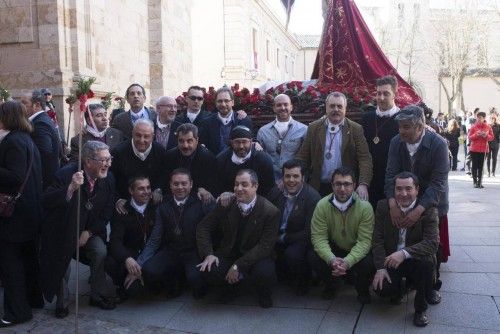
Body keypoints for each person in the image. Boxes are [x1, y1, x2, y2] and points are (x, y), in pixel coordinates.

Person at [41, 141, 116, 318]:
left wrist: (88, 233)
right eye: (103, 160)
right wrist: (71, 188)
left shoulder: (109, 179)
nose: (107, 164)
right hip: (62, 230)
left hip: (89, 230)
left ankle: (97, 294)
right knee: (62, 265)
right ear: (88, 161)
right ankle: (62, 301)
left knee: (100, 251)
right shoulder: (66, 174)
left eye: (109, 159)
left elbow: (106, 213)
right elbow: (47, 200)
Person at [385, 105, 450, 291]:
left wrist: (420, 209)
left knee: (431, 247)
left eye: (406, 127)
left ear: (420, 127)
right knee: (408, 242)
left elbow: (438, 183)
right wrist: (392, 203)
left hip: (432, 202)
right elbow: (390, 175)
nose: (401, 131)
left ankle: (431, 286)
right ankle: (410, 278)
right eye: (400, 127)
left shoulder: (439, 144)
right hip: (403, 199)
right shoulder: (396, 142)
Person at [196, 169, 280, 308]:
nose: (239, 189)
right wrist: (208, 254)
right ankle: (230, 289)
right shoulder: (226, 204)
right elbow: (203, 227)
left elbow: (265, 246)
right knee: (208, 268)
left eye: (244, 185)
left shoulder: (270, 211)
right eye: (236, 184)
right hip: (229, 253)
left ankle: (263, 294)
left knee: (265, 272)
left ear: (255, 186)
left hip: (255, 256)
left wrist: (237, 266)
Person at [372, 172, 440, 327]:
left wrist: (404, 253)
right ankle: (403, 288)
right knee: (381, 289)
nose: (403, 194)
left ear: (417, 189)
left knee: (427, 263)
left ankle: (420, 309)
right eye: (399, 189)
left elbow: (431, 243)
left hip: (415, 259)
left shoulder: (429, 210)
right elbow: (377, 240)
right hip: (391, 260)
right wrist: (381, 268)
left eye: (408, 189)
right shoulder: (383, 207)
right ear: (393, 190)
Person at [137, 169, 214, 299]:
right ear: (170, 185)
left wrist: (210, 254)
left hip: (193, 252)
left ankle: (187, 278)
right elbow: (155, 239)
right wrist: (139, 263)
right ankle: (175, 280)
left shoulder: (201, 202)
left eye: (184, 183)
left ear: (191, 184)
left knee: (197, 282)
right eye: (176, 184)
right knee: (149, 270)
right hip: (171, 250)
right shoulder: (163, 205)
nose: (180, 187)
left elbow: (212, 231)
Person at [0, 101, 43, 328]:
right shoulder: (25, 139)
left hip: (15, 215)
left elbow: (15, 176)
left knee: (11, 264)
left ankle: (17, 311)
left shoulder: (14, 141)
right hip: (27, 212)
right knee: (27, 260)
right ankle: (33, 299)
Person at [309, 167, 374, 304]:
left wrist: (348, 262)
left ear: (354, 185)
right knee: (313, 256)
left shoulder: (365, 207)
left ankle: (362, 290)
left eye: (347, 184)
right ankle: (331, 286)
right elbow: (318, 238)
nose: (342, 189)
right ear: (332, 185)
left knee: (368, 262)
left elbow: (364, 242)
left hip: (355, 248)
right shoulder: (322, 205)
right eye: (338, 184)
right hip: (335, 248)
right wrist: (331, 259)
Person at [296, 91, 372, 197]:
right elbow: (302, 157)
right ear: (326, 108)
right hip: (318, 187)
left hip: (345, 188)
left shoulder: (355, 129)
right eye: (332, 106)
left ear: (345, 108)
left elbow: (364, 158)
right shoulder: (313, 128)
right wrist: (297, 179)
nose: (336, 109)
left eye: (339, 106)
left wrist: (363, 184)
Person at [267, 159, 321, 295]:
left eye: (295, 176)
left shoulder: (312, 198)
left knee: (293, 255)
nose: (291, 180)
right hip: (277, 237)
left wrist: (284, 238)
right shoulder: (275, 193)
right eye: (287, 176)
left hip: (299, 240)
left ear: (303, 177)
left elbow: (310, 232)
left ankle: (304, 280)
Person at [106, 176, 156, 301]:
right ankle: (123, 283)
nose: (146, 192)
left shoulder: (156, 206)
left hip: (152, 254)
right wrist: (127, 258)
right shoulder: (121, 210)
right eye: (141, 189)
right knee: (108, 261)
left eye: (148, 188)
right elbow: (115, 241)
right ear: (131, 191)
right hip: (131, 253)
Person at [111, 119, 167, 211]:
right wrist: (117, 199)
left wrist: (158, 188)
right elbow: (111, 179)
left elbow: (164, 174)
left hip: (152, 203)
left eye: (146, 136)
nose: (142, 140)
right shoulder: (118, 152)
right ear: (132, 133)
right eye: (138, 135)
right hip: (125, 204)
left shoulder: (160, 151)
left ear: (153, 136)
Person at [361, 75, 400, 208]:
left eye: (386, 94)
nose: (381, 98)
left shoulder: (402, 120)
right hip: (370, 181)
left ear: (394, 94)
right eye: (378, 93)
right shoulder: (367, 119)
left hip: (394, 182)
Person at [256, 94, 307, 180]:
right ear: (274, 108)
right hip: (271, 180)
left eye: (286, 104)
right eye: (279, 105)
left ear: (291, 107)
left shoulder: (304, 130)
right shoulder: (263, 131)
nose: (283, 108)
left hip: (294, 181)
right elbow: (260, 158)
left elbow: (305, 159)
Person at [216, 126, 275, 199]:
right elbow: (217, 186)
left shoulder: (263, 160)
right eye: (237, 142)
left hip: (257, 202)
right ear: (231, 142)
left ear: (251, 141)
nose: (241, 146)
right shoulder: (221, 160)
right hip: (230, 201)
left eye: (244, 142)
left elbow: (269, 188)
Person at [165, 123, 218, 202]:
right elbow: (165, 182)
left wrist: (204, 190)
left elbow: (213, 186)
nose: (185, 145)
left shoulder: (208, 158)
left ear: (197, 140)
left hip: (198, 200)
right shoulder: (169, 156)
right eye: (181, 141)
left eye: (189, 141)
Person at [20, 89, 61, 189]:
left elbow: (43, 152)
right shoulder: (39, 120)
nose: (20, 107)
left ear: (37, 105)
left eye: (24, 103)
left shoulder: (40, 123)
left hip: (41, 181)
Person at [199, 87, 252, 155]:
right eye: (220, 101)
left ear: (232, 102)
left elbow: (251, 140)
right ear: (215, 103)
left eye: (226, 101)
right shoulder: (207, 123)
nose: (223, 104)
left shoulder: (244, 120)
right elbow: (203, 145)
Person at [468, 111, 494, 188]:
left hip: (484, 149)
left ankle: (480, 182)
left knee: (481, 166)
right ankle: (475, 182)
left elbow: (492, 137)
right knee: (474, 166)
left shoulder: (488, 127)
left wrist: (486, 135)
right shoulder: (473, 126)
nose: (479, 119)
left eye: (480, 118)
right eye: (477, 117)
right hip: (474, 149)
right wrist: (476, 134)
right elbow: (470, 137)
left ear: (484, 118)